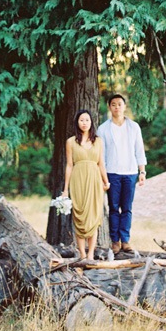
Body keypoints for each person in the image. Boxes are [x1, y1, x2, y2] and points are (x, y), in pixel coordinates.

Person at [97, 93, 147, 254]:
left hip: (130, 172)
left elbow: (139, 149)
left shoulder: (134, 127)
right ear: (109, 107)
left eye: (119, 104)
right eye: (113, 104)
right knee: (113, 208)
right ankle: (115, 241)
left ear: (124, 107)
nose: (117, 107)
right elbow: (101, 155)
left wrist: (142, 171)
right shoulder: (103, 129)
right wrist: (102, 176)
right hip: (112, 173)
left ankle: (125, 240)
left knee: (127, 208)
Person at [62, 109, 110, 261]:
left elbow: (101, 163)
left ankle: (91, 254)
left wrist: (106, 181)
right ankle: (82, 253)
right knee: (79, 216)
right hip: (78, 180)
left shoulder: (98, 141)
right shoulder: (71, 142)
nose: (84, 123)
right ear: (77, 122)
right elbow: (69, 165)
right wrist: (65, 189)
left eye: (87, 120)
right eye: (81, 120)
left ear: (91, 122)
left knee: (94, 216)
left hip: (95, 181)